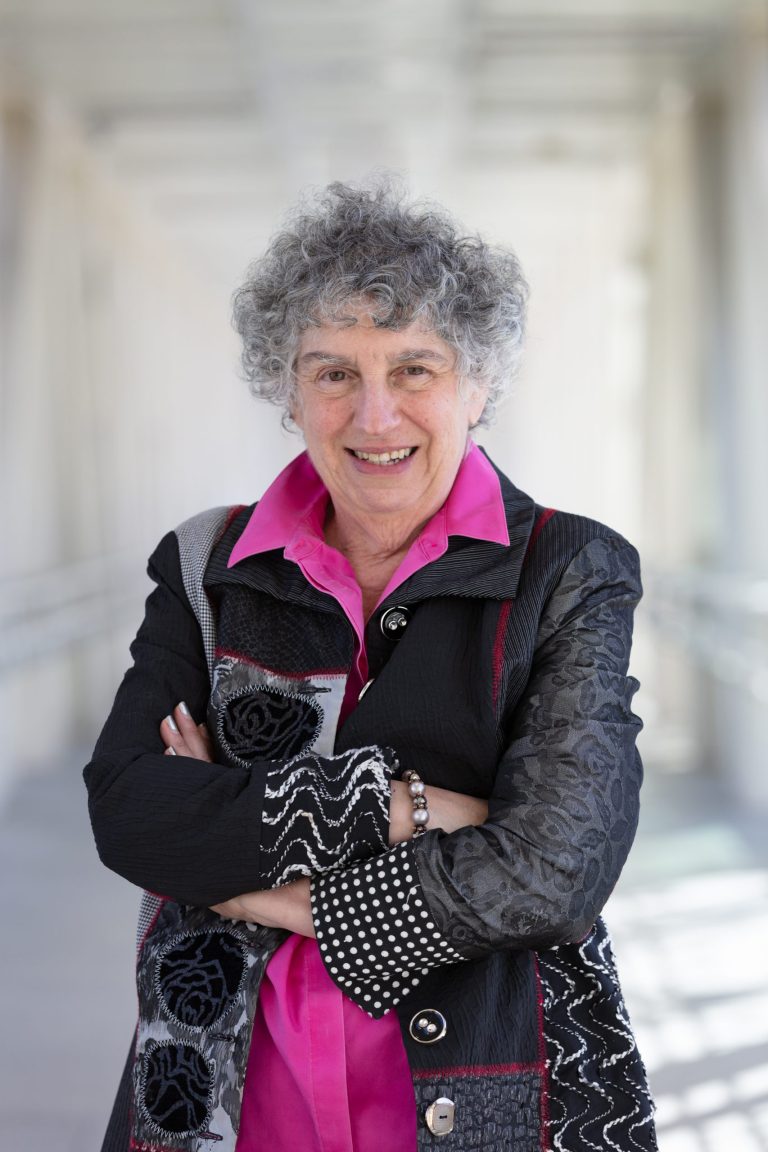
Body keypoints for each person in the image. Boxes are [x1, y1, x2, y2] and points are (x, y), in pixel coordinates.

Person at [85, 180, 657, 1152]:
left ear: (478, 385)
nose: (375, 413)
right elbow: (130, 810)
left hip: (487, 1104)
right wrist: (411, 809)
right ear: (286, 386)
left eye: (415, 368)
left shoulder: (567, 569)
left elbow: (555, 872)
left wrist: (232, 879)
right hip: (224, 1101)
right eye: (333, 371)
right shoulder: (206, 565)